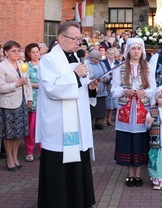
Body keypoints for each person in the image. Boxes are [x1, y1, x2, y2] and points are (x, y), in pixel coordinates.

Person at [36, 21, 99, 207]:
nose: (78, 42)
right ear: (61, 38)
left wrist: (91, 87)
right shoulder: (49, 60)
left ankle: (78, 200)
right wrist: (75, 76)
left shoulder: (78, 58)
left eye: (80, 39)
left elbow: (81, 86)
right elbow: (51, 88)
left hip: (78, 121)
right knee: (59, 165)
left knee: (79, 159)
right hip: (59, 123)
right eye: (75, 38)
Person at [111, 37, 155, 188]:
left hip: (142, 111)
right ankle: (130, 175)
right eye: (133, 48)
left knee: (140, 143)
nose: (136, 51)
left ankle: (138, 174)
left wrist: (145, 93)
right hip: (126, 112)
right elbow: (113, 90)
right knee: (128, 143)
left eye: (138, 48)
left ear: (142, 50)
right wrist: (124, 91)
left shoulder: (148, 67)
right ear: (128, 50)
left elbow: (153, 89)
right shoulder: (120, 67)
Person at [0, 40, 33, 171]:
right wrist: (17, 83)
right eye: (13, 51)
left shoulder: (22, 64)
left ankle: (15, 157)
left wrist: (30, 99)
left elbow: (27, 83)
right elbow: (1, 87)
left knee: (18, 133)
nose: (17, 53)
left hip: (22, 101)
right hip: (8, 103)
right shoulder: (1, 66)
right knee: (9, 133)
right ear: (6, 52)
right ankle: (9, 158)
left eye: (18, 50)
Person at [24, 43, 41, 162]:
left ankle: (42, 150)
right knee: (31, 127)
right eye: (33, 52)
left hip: (45, 100)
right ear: (29, 54)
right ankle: (29, 151)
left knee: (43, 127)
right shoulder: (26, 66)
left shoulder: (45, 65)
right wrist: (37, 85)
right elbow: (25, 82)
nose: (35, 54)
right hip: (32, 99)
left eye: (37, 51)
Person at [88, 49, 109, 130]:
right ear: (91, 58)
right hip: (93, 89)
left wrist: (106, 79)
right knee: (92, 107)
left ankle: (98, 123)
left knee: (100, 107)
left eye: (98, 59)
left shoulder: (102, 63)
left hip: (102, 88)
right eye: (95, 59)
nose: (97, 60)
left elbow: (106, 73)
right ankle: (90, 123)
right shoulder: (87, 63)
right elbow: (87, 76)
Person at [102, 47, 120, 126]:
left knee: (113, 102)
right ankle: (104, 120)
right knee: (106, 102)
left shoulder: (117, 62)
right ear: (106, 54)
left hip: (114, 83)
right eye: (109, 53)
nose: (111, 55)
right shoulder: (103, 62)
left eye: (112, 53)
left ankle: (109, 119)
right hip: (105, 83)